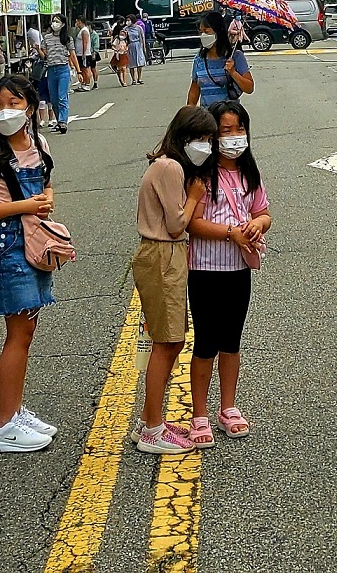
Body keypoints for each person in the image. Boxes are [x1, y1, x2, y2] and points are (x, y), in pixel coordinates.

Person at [0, 74, 61, 453]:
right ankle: (3, 425)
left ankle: (14, 410)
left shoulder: (39, 142)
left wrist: (46, 198)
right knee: (17, 334)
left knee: (27, 330)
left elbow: (47, 185)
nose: (5, 111)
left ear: (31, 108)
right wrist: (26, 205)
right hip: (8, 246)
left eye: (14, 103)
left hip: (36, 241)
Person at [185, 100, 273, 445]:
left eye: (240, 129)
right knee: (206, 342)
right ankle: (199, 414)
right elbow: (191, 223)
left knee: (231, 341)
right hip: (205, 269)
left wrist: (257, 225)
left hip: (240, 268)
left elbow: (264, 212)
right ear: (212, 137)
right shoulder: (201, 175)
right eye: (226, 131)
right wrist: (229, 233)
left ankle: (229, 408)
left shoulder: (250, 172)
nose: (235, 137)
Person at [133, 106, 216, 454]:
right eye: (200, 139)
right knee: (167, 342)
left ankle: (151, 419)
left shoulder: (170, 166)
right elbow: (175, 223)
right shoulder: (169, 166)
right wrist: (195, 195)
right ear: (183, 138)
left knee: (171, 339)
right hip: (163, 253)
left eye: (209, 139)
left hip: (167, 256)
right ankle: (152, 430)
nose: (206, 146)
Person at [188, 10, 253, 107]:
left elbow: (249, 88)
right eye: (200, 32)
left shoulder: (235, 57)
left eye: (206, 31)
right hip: (207, 118)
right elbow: (194, 90)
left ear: (218, 31)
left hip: (229, 117)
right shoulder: (199, 59)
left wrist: (233, 72)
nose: (203, 36)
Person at [39, 19, 74, 133]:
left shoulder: (67, 39)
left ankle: (63, 121)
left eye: (57, 21)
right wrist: (37, 49)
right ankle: (59, 121)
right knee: (53, 99)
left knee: (62, 97)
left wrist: (78, 71)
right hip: (51, 70)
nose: (54, 23)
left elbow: (72, 55)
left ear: (63, 24)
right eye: (53, 21)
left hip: (63, 69)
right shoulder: (47, 38)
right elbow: (44, 55)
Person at [74, 18, 97, 91]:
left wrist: (84, 53)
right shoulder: (81, 31)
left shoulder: (84, 31)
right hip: (80, 54)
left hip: (84, 54)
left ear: (80, 22)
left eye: (77, 21)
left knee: (85, 69)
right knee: (82, 69)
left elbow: (85, 42)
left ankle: (87, 84)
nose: (76, 23)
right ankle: (83, 83)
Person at [127, 15, 148, 85]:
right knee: (131, 64)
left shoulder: (139, 28)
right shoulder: (125, 29)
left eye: (129, 20)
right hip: (130, 46)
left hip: (138, 45)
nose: (127, 22)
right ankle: (133, 79)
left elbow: (142, 37)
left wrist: (144, 47)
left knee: (139, 62)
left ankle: (139, 78)